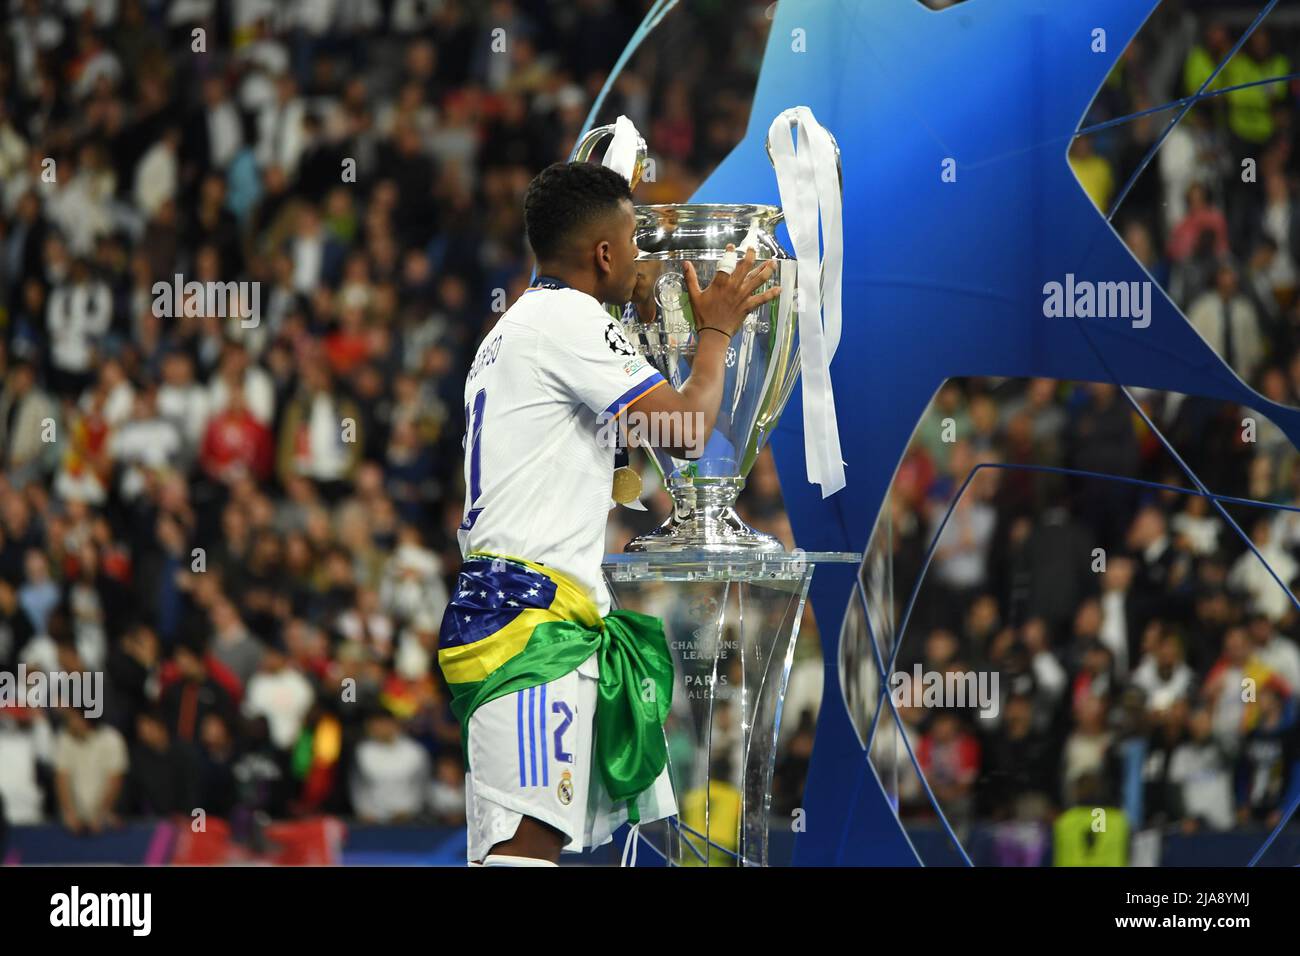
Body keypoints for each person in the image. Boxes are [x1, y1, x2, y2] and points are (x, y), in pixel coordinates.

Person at [439, 160, 779, 866]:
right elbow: (686, 432)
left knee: (527, 846)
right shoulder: (565, 320)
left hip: (528, 614)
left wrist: (638, 328)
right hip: (530, 625)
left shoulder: (526, 323)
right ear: (602, 253)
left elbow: (623, 463)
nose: (643, 260)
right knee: (524, 851)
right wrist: (713, 332)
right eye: (634, 243)